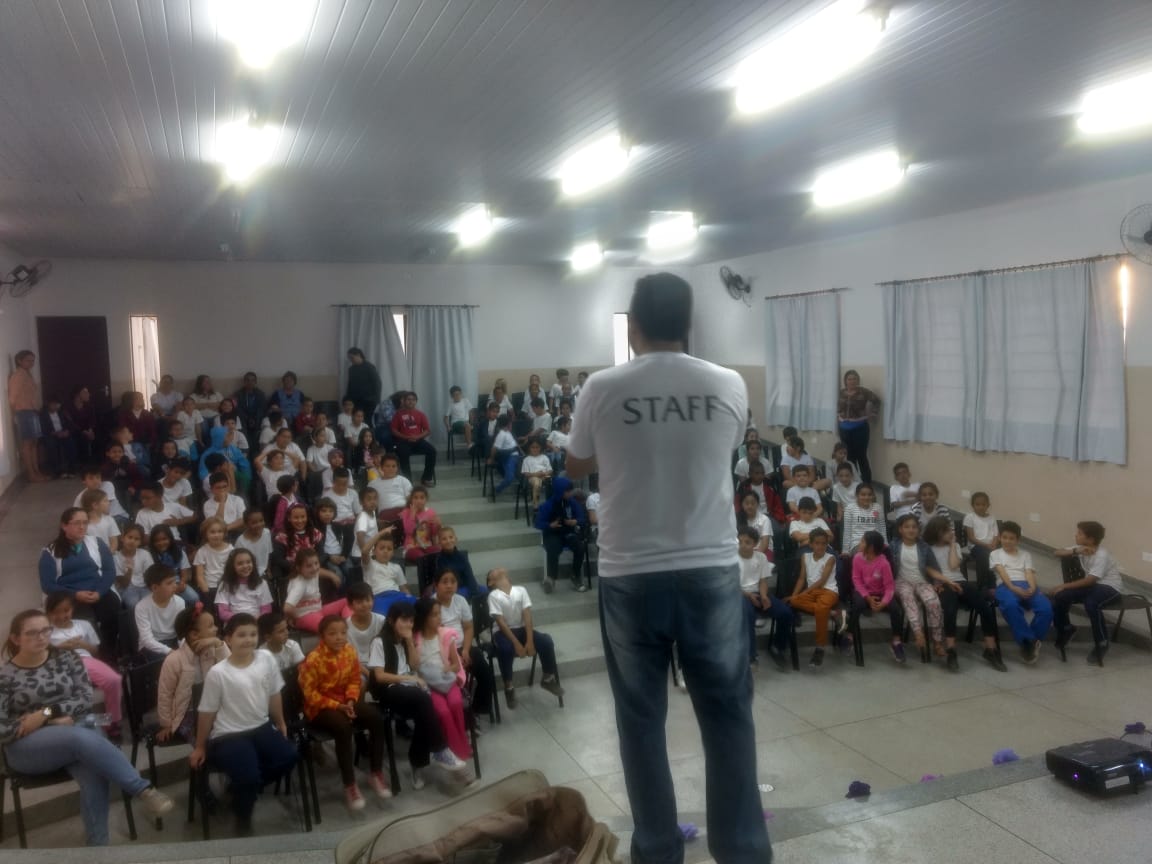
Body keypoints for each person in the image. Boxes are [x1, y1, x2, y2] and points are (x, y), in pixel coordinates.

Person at [565, 273, 771, 864]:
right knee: (728, 714)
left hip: (629, 572)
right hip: (710, 568)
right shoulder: (728, 383)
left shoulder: (602, 387)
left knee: (640, 721)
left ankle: (656, 851)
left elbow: (576, 466)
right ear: (689, 325)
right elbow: (720, 448)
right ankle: (744, 851)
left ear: (632, 326)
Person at [0, 610, 174, 845]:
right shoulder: (5, 676)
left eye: (45, 630)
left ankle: (97, 846)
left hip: (74, 728)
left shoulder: (67, 658)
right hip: (27, 748)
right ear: (15, 638)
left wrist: (45, 715)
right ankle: (142, 789)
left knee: (93, 766)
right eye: (32, 633)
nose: (41, 637)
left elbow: (83, 699)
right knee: (82, 734)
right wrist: (50, 722)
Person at [188, 613, 298, 836]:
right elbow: (206, 712)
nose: (248, 640)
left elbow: (274, 694)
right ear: (228, 639)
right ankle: (243, 817)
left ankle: (241, 789)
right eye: (241, 635)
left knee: (289, 756)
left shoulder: (265, 658)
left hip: (261, 726)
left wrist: (280, 722)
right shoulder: (218, 673)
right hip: (229, 735)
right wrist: (200, 746)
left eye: (253, 634)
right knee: (248, 776)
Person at [367, 602, 469, 790]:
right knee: (424, 699)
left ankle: (418, 763)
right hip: (389, 691)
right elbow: (379, 676)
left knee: (425, 712)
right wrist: (409, 678)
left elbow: (414, 665)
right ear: (391, 620)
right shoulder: (379, 642)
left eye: (411, 621)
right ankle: (440, 749)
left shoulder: (406, 640)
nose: (408, 624)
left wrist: (408, 642)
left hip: (410, 691)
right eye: (404, 620)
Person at [298, 614, 393, 809]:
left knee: (376, 718)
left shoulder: (349, 651)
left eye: (343, 632)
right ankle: (349, 784)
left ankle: (375, 773)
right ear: (322, 636)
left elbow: (354, 680)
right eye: (332, 633)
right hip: (320, 707)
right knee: (343, 727)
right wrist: (337, 706)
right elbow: (310, 694)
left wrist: (350, 700)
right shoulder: (313, 659)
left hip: (345, 701)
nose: (339, 637)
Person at [922, 517, 1005, 672]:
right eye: (946, 530)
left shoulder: (956, 546)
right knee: (950, 610)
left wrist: (953, 544)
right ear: (937, 531)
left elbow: (953, 565)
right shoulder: (928, 548)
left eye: (950, 529)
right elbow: (928, 571)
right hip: (943, 585)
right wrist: (941, 583)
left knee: (985, 607)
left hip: (960, 582)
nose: (950, 532)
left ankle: (990, 649)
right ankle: (951, 650)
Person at [38, 507, 119, 658]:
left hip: (97, 592)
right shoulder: (50, 551)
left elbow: (109, 571)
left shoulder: (96, 543)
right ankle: (94, 657)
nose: (82, 527)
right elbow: (47, 585)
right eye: (77, 523)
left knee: (114, 611)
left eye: (85, 523)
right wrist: (75, 595)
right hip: (69, 597)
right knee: (87, 623)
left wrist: (99, 592)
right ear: (64, 526)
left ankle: (110, 654)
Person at [45, 591, 123, 741]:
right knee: (67, 691)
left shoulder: (83, 625)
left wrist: (82, 644)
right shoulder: (46, 631)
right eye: (56, 612)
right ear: (48, 613)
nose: (61, 616)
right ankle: (71, 726)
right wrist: (60, 647)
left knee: (114, 680)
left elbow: (95, 652)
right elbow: (42, 656)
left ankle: (111, 722)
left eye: (66, 610)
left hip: (85, 660)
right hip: (58, 665)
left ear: (72, 609)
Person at [486, 568, 562, 707]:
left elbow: (527, 616)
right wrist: (516, 644)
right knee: (506, 649)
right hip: (502, 632)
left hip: (522, 630)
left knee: (546, 641)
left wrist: (530, 641)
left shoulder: (521, 590)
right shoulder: (493, 596)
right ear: (491, 582)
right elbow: (501, 623)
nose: (498, 570)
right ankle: (509, 687)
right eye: (494, 572)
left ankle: (547, 678)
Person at [1051, 520, 1122, 664]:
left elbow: (1090, 580)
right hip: (1093, 587)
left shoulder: (1102, 555)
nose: (1075, 535)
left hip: (1110, 588)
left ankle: (1102, 642)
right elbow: (1056, 552)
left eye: (1079, 533)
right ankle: (1067, 629)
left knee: (1091, 603)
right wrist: (1075, 551)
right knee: (1060, 596)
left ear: (1090, 539)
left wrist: (1064, 585)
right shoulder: (1080, 548)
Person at [156, 606, 229, 743]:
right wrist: (166, 724)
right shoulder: (174, 660)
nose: (216, 628)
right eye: (211, 626)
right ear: (194, 634)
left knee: (230, 731)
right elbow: (165, 694)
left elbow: (231, 670)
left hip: (212, 707)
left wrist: (219, 643)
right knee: (209, 739)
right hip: (186, 714)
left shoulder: (213, 650)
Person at [412, 598, 472, 762]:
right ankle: (453, 749)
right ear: (423, 617)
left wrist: (446, 669)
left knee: (456, 704)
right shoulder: (415, 639)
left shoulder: (446, 635)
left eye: (439, 613)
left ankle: (462, 743)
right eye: (434, 615)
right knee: (443, 712)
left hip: (446, 680)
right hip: (429, 684)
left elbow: (456, 665)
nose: (439, 618)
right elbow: (414, 665)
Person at [990, 521, 1052, 664]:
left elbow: (1029, 573)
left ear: (1018, 540)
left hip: (1026, 584)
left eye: (1011, 538)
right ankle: (1029, 641)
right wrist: (1013, 587)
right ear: (999, 537)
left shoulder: (1025, 555)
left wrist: (1033, 587)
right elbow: (1002, 572)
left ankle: (1030, 643)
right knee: (1010, 605)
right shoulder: (995, 554)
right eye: (1004, 537)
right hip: (1005, 586)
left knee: (1046, 608)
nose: (1007, 541)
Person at [892, 514, 946, 661]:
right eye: (907, 527)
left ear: (918, 529)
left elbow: (934, 566)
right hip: (902, 581)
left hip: (922, 581)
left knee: (933, 603)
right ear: (900, 529)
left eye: (914, 527)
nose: (911, 530)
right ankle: (918, 633)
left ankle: (937, 640)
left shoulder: (924, 547)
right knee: (908, 597)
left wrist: (937, 583)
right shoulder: (894, 545)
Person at [787, 528, 843, 668]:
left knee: (821, 607)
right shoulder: (805, 557)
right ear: (811, 544)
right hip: (813, 593)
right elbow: (801, 578)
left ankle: (820, 648)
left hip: (828, 591)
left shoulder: (830, 558)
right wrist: (795, 595)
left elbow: (822, 581)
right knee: (794, 601)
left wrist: (804, 593)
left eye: (823, 543)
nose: (820, 546)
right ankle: (833, 613)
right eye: (817, 543)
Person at [736, 527, 790, 669]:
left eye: (747, 542)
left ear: (755, 544)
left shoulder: (761, 557)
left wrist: (764, 596)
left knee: (785, 613)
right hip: (740, 595)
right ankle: (751, 656)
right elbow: (730, 585)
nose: (743, 545)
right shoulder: (732, 558)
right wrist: (748, 595)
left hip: (759, 593)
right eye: (740, 541)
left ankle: (777, 647)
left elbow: (763, 581)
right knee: (748, 616)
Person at [535, 476, 588, 593]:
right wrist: (550, 525)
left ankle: (575, 576)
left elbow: (582, 518)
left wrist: (575, 521)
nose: (570, 493)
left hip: (568, 532)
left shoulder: (573, 503)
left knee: (580, 547)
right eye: (567, 491)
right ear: (560, 491)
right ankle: (551, 578)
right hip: (552, 534)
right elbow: (538, 523)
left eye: (570, 491)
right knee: (553, 548)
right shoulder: (547, 505)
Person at [8, 350, 48, 482]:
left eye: (32, 360)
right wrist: (15, 414)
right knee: (27, 443)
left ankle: (37, 472)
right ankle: (31, 474)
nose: (31, 363)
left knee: (34, 443)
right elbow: (12, 398)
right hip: (23, 412)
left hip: (32, 411)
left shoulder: (28, 374)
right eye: (28, 360)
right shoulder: (18, 376)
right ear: (19, 361)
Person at [836, 369, 880, 483]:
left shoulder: (863, 392)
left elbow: (876, 401)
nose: (852, 381)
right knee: (850, 457)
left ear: (858, 380)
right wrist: (838, 415)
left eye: (854, 379)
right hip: (844, 429)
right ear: (845, 381)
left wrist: (873, 413)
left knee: (861, 457)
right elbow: (836, 406)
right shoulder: (841, 392)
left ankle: (867, 484)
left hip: (860, 428)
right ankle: (854, 483)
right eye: (849, 379)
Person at [391, 391, 437, 486]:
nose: (411, 401)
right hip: (403, 441)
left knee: (432, 451)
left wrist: (417, 437)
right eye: (408, 399)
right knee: (403, 453)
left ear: (416, 401)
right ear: (404, 401)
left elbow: (427, 430)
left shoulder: (420, 414)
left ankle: (426, 478)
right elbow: (394, 430)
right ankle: (408, 481)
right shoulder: (398, 414)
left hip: (418, 441)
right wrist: (406, 437)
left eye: (413, 400)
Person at [216, 548, 274, 621]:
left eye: (248, 562)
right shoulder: (225, 584)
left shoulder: (262, 583)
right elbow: (223, 613)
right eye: (240, 563)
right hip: (234, 622)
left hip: (256, 621)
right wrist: (242, 620)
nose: (245, 566)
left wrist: (255, 620)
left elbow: (266, 609)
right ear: (232, 566)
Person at [41, 393, 78, 478]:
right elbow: (44, 429)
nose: (56, 406)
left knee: (71, 443)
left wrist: (67, 431)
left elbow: (69, 424)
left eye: (57, 404)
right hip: (51, 435)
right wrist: (56, 433)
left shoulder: (62, 412)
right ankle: (58, 471)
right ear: (48, 404)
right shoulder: (43, 414)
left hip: (63, 433)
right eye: (53, 404)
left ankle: (71, 469)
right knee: (51, 444)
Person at [65, 385, 99, 465]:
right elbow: (70, 423)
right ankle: (75, 465)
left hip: (87, 430)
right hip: (73, 431)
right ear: (77, 395)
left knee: (97, 436)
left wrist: (90, 430)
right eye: (85, 392)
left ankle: (90, 463)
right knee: (74, 439)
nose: (88, 394)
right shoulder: (68, 407)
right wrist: (84, 432)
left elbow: (92, 420)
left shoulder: (89, 406)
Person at [344, 347, 382, 418]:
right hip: (355, 401)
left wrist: (376, 400)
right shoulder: (351, 369)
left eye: (352, 357)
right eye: (349, 358)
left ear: (358, 355)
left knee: (367, 420)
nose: (351, 360)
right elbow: (350, 385)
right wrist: (348, 399)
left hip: (369, 401)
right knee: (356, 419)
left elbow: (377, 383)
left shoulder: (369, 367)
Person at [233, 372, 266, 447]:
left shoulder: (261, 394)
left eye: (252, 380)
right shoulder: (238, 394)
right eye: (247, 380)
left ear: (255, 382)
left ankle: (254, 449)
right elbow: (237, 408)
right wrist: (247, 418)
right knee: (242, 423)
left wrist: (255, 418)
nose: (250, 382)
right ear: (244, 382)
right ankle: (247, 448)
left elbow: (262, 408)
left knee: (259, 422)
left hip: (257, 418)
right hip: (244, 418)